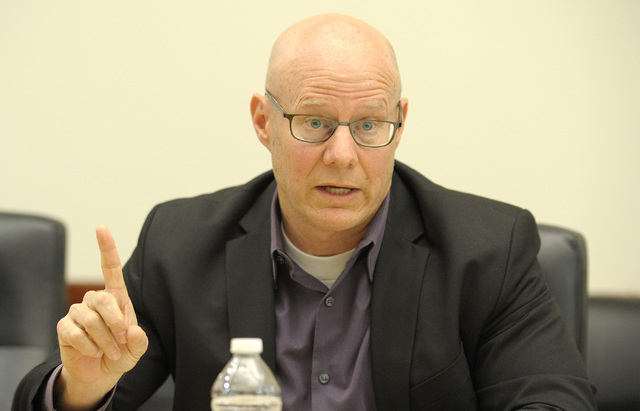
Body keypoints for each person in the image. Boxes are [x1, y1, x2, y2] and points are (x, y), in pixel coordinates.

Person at [14, 13, 596, 410]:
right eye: (314, 122)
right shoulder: (180, 244)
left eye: (370, 124)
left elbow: (554, 397)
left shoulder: (488, 249)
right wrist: (81, 390)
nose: (343, 155)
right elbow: (63, 392)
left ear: (400, 125)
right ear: (263, 122)